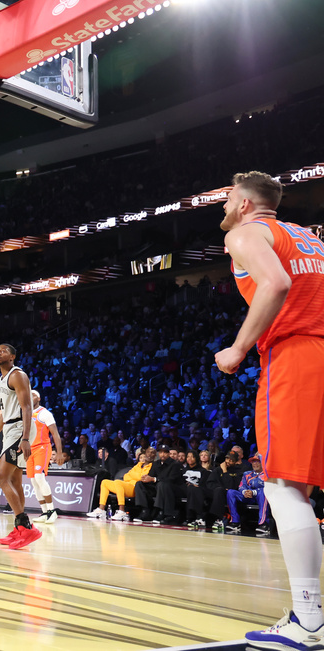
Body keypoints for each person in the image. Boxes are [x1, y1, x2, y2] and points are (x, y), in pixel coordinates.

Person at [214, 171, 324, 646]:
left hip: (295, 358)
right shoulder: (309, 238)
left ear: (243, 203)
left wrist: (239, 347)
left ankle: (310, 619)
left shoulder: (246, 232)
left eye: (226, 200)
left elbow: (275, 283)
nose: (222, 208)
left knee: (283, 488)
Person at [0, 345, 42, 550]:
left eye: (3, 351)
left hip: (20, 430)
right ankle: (19, 529)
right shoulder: (2, 379)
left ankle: (25, 525)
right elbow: (7, 414)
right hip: (10, 428)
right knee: (15, 479)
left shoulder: (17, 375)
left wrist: (25, 438)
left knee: (1, 477)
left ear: (13, 356)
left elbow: (27, 408)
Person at [86, 446, 154, 521]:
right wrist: (134, 476)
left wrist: (133, 476)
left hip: (135, 488)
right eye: (141, 457)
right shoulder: (137, 466)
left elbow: (141, 478)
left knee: (118, 482)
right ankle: (101, 509)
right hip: (125, 485)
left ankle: (122, 510)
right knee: (105, 482)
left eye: (144, 457)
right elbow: (126, 476)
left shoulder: (151, 466)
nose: (143, 459)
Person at [28, 390, 65, 524]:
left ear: (39, 398)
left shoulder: (45, 413)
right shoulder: (26, 413)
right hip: (30, 449)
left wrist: (59, 452)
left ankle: (52, 511)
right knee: (33, 481)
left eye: (32, 395)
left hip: (42, 448)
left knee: (39, 477)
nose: (29, 397)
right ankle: (44, 512)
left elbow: (55, 434)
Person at [226, 453, 270, 536]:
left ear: (262, 463)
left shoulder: (267, 475)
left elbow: (267, 487)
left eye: (257, 462)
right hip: (247, 496)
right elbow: (241, 486)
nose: (255, 464)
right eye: (253, 462)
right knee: (231, 492)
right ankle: (235, 522)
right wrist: (245, 492)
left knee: (263, 493)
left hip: (260, 497)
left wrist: (253, 492)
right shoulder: (247, 474)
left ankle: (263, 524)